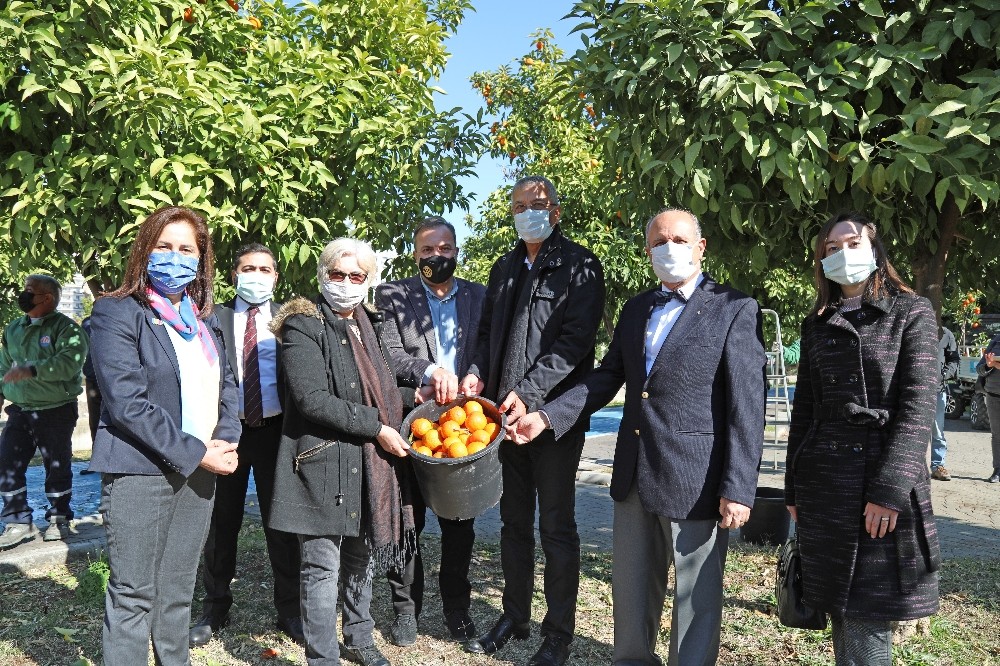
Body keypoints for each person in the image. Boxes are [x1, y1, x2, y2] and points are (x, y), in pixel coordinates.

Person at [514, 208, 767, 666]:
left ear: (701, 246)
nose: (668, 248)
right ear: (647, 250)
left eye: (679, 239)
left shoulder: (735, 308)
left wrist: (738, 487)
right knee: (630, 596)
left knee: (696, 602)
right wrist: (547, 417)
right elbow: (608, 376)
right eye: (657, 241)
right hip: (633, 475)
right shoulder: (637, 308)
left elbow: (746, 407)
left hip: (697, 480)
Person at [460, 176, 605, 666]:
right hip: (503, 419)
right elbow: (486, 336)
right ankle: (514, 616)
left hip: (550, 419)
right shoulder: (502, 268)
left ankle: (558, 632)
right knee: (512, 522)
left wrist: (530, 394)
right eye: (520, 205)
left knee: (557, 526)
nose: (529, 212)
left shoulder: (581, 266)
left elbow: (575, 343)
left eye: (538, 204)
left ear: (556, 211)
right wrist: (478, 375)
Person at [784, 212, 940, 665]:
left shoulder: (912, 312)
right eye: (831, 249)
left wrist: (889, 491)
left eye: (851, 243)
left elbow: (916, 407)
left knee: (869, 614)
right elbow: (805, 412)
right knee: (839, 608)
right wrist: (794, 489)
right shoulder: (816, 322)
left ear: (875, 249)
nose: (841, 254)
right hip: (825, 487)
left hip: (882, 485)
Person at [88, 205, 241, 665]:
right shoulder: (116, 311)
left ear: (201, 259)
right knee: (134, 592)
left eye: (186, 249)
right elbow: (126, 403)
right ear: (144, 251)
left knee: (177, 590)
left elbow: (228, 387)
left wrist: (224, 440)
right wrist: (198, 453)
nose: (175, 258)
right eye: (164, 247)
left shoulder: (205, 320)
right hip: (140, 472)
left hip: (199, 474)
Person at [268, 237, 416, 666]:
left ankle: (360, 637)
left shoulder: (369, 324)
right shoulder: (303, 324)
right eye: (338, 274)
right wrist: (378, 427)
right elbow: (311, 398)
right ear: (322, 275)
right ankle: (322, 657)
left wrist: (418, 392)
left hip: (368, 465)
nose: (346, 283)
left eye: (357, 276)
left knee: (360, 558)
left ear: (369, 281)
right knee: (321, 568)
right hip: (321, 463)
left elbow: (383, 386)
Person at [374, 217, 486, 644]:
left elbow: (486, 348)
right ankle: (407, 610)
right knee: (407, 521)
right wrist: (430, 370)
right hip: (414, 417)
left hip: (466, 424)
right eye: (427, 250)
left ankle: (457, 610)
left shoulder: (478, 296)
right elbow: (390, 352)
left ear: (456, 251)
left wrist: (473, 373)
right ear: (415, 253)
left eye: (444, 249)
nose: (436, 257)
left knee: (460, 524)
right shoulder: (393, 295)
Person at [190, 243, 303, 647]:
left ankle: (290, 610)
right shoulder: (211, 318)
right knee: (221, 525)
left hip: (276, 434)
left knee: (282, 524)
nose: (256, 275)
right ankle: (215, 608)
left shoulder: (292, 321)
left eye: (265, 269)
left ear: (276, 276)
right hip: (226, 433)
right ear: (234, 275)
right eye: (247, 268)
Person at [0, 275, 88, 548]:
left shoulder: (67, 330)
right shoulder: (14, 328)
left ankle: (59, 517)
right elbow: (4, 366)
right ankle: (17, 521)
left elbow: (68, 365)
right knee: (7, 462)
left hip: (55, 409)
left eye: (30, 292)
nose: (23, 295)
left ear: (47, 298)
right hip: (20, 410)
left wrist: (32, 370)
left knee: (57, 463)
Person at [931, 324, 959, 481]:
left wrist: (944, 374)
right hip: (911, 387)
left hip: (937, 390)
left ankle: (938, 465)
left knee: (938, 432)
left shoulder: (946, 333)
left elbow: (954, 358)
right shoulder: (912, 324)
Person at [977, 332, 1000, 483]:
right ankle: (998, 470)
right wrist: (989, 365)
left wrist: (996, 365)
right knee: (997, 435)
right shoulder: (996, 340)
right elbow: (979, 368)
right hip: (993, 394)